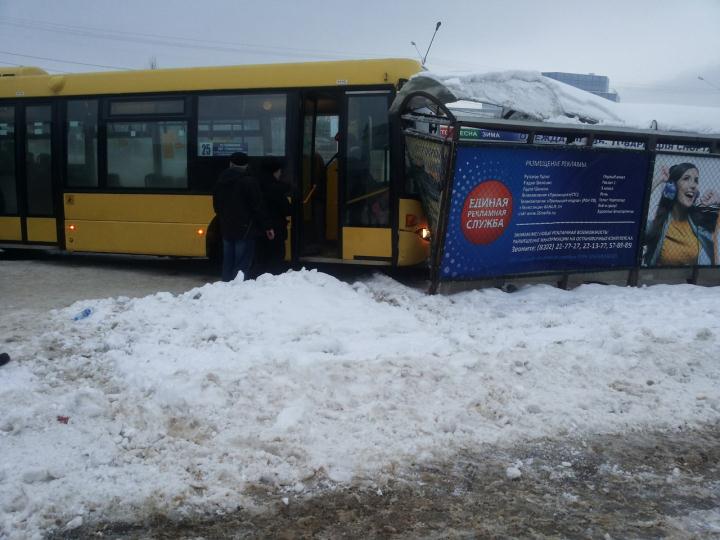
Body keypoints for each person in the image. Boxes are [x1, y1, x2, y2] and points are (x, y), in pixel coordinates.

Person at [212, 152, 274, 281]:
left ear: (230, 164)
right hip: (245, 229)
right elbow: (258, 207)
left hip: (226, 227)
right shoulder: (249, 181)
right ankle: (237, 288)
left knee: (228, 260)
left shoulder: (221, 180)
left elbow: (216, 206)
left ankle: (225, 285)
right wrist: (267, 226)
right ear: (246, 165)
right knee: (242, 262)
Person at [644, 162, 720, 266]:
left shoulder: (702, 221)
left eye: (696, 180)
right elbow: (630, 217)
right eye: (686, 178)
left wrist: (719, 201)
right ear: (673, 187)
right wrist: (656, 181)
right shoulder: (656, 226)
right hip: (662, 281)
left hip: (696, 281)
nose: (693, 185)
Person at [254, 156, 292, 276]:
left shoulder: (254, 184)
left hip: (259, 228)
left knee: (261, 258)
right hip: (275, 228)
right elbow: (286, 209)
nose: (281, 173)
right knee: (276, 258)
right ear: (275, 171)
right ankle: (273, 281)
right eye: (280, 170)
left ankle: (260, 282)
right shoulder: (276, 188)